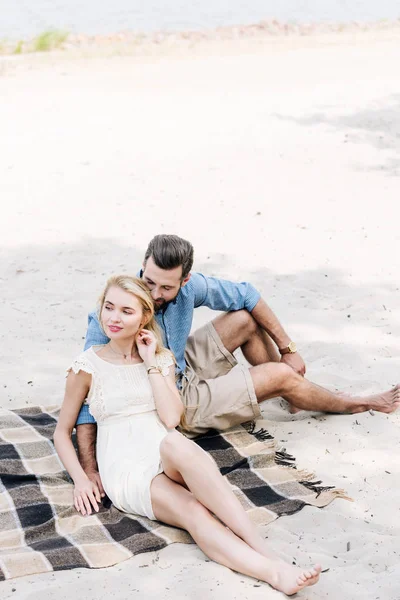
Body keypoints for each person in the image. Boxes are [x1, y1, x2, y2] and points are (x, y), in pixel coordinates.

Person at [54, 275, 322, 595]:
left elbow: (170, 418)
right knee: (194, 510)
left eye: (126, 311)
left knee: (177, 444)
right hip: (126, 465)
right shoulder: (87, 366)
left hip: (162, 446)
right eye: (108, 308)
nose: (113, 318)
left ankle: (264, 549)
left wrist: (152, 362)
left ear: (144, 316)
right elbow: (61, 431)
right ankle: (273, 572)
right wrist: (84, 478)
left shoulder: (162, 358)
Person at [76, 234, 400, 492]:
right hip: (168, 402)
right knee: (277, 376)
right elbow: (90, 396)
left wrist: (288, 348)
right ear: (143, 266)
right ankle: (351, 402)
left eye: (166, 287)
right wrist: (89, 470)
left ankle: (295, 393)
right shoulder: (113, 313)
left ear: (185, 280)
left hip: (177, 363)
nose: (155, 293)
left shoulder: (189, 288)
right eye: (149, 282)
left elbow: (248, 294)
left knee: (245, 319)